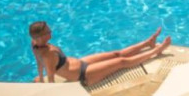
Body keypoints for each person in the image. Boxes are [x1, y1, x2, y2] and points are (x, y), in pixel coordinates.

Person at [29, 21, 172, 86]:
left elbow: (38, 62)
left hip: (81, 63)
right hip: (84, 75)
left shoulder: (35, 44)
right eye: (48, 32)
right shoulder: (48, 55)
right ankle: (156, 50)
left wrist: (40, 78)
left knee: (117, 54)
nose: (51, 32)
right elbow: (51, 80)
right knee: (121, 62)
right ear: (40, 36)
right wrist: (43, 83)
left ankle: (148, 43)